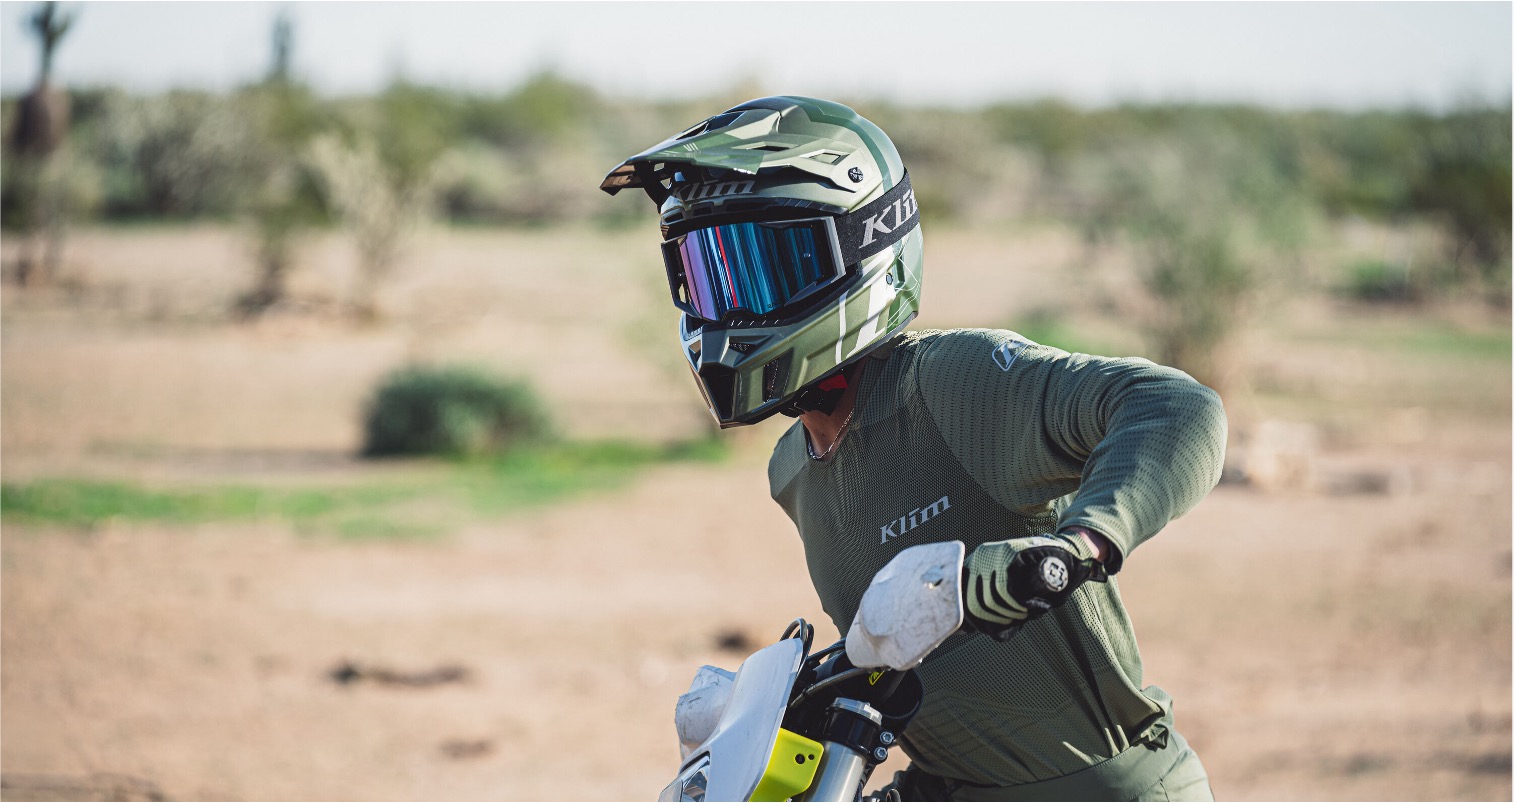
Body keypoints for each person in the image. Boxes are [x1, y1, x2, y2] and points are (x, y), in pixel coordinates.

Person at [601, 96, 1227, 801]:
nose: (727, 306)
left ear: (858, 248)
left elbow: (1178, 408)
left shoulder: (950, 383)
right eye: (708, 276)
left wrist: (1077, 547)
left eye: (760, 269)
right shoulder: (793, 469)